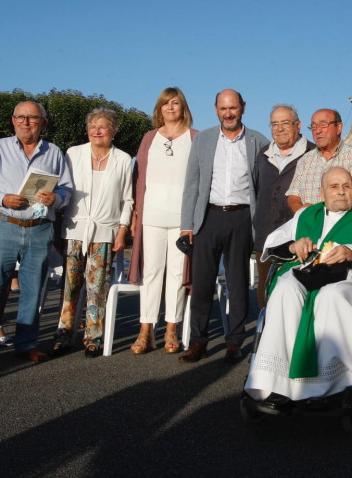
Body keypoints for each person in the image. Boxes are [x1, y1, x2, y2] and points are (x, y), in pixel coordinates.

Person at [244, 167, 352, 408]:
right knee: (285, 289)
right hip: (304, 275)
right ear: (322, 192)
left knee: (329, 296)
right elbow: (274, 243)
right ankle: (273, 383)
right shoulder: (305, 216)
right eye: (334, 187)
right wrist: (295, 246)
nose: (341, 192)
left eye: (346, 186)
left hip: (347, 282)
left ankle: (331, 387)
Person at [0, 101, 73, 366]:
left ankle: (26, 343)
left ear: (44, 123)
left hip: (39, 229)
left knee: (32, 290)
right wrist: (2, 198)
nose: (26, 122)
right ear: (13, 120)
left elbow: (67, 189)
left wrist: (56, 198)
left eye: (33, 118)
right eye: (20, 117)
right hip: (2, 224)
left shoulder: (54, 152)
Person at [179, 89, 267, 363]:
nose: (228, 113)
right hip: (209, 217)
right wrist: (186, 226)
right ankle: (198, 342)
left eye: (233, 108)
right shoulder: (203, 139)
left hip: (242, 218)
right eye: (223, 109)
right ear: (216, 109)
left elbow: (261, 187)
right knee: (202, 283)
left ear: (243, 107)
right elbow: (192, 184)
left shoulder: (258, 141)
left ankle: (234, 341)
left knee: (238, 283)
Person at [53, 107, 134, 358]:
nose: (96, 131)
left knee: (97, 288)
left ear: (113, 131)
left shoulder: (123, 159)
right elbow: (63, 189)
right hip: (74, 228)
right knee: (70, 286)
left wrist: (122, 231)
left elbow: (127, 200)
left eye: (103, 126)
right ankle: (63, 334)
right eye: (92, 126)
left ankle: (93, 338)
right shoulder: (73, 154)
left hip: (105, 230)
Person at [128, 87, 197, 355]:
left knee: (178, 274)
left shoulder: (195, 138)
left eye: (176, 102)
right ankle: (145, 330)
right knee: (152, 273)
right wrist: (135, 214)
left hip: (183, 219)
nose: (170, 107)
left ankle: (171, 328)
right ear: (159, 108)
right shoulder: (149, 138)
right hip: (152, 216)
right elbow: (138, 178)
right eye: (165, 103)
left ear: (183, 108)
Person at [253, 104, 314, 308]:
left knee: (295, 290)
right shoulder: (263, 155)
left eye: (285, 123)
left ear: (298, 125)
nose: (279, 129)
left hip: (299, 238)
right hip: (266, 238)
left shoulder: (312, 154)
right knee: (266, 289)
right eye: (274, 124)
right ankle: (266, 336)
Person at [285, 109, 352, 211]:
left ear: (339, 127)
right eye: (313, 127)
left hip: (343, 223)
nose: (318, 131)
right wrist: (304, 214)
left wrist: (321, 213)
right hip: (309, 224)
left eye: (323, 125)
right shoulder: (305, 160)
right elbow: (293, 197)